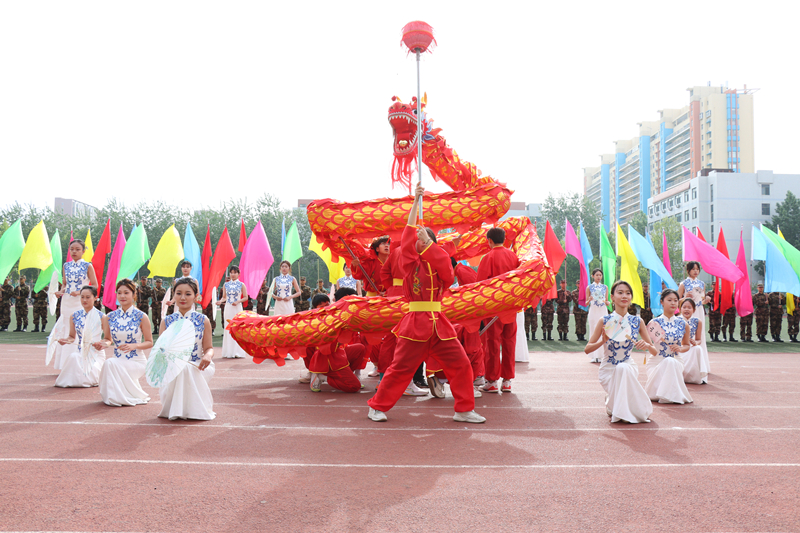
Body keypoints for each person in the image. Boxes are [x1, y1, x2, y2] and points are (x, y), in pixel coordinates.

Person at [366, 185, 485, 424]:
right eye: (419, 240)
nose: (420, 242)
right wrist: (415, 203)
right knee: (400, 369)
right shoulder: (409, 263)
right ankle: (376, 406)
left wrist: (429, 244)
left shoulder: (440, 261)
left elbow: (447, 274)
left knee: (461, 365)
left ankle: (463, 410)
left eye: (426, 239)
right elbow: (408, 236)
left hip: (439, 325)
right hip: (415, 325)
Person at [584, 280, 657, 424]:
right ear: (612, 297)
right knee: (620, 368)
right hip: (608, 369)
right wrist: (602, 341)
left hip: (628, 367)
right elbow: (587, 349)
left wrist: (646, 345)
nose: (625, 296)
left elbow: (654, 351)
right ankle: (612, 400)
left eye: (628, 293)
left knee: (623, 367)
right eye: (620, 292)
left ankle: (613, 402)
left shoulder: (637, 321)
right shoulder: (605, 320)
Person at [158, 278, 215, 420]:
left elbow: (209, 348)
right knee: (181, 368)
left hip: (197, 365)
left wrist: (207, 356)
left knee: (185, 369)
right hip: (172, 365)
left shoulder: (203, 320)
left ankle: (188, 410)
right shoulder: (167, 321)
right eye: (179, 293)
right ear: (174, 296)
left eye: (188, 294)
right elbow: (159, 349)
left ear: (196, 297)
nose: (183, 297)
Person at [476, 226, 521, 393]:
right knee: (509, 342)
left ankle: (492, 381)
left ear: (489, 241)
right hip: (511, 306)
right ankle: (507, 381)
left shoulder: (488, 258)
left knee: (492, 343)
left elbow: (480, 284)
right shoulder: (514, 257)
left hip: (493, 307)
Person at [96, 279, 153, 407]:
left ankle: (118, 397)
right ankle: (114, 397)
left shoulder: (141, 316)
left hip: (136, 362)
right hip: (118, 360)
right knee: (110, 363)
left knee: (109, 363)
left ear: (133, 295)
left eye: (126, 292)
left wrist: (135, 345)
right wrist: (103, 344)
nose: (122, 296)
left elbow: (149, 342)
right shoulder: (110, 317)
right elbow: (108, 339)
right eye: (119, 292)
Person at [302, 294, 365, 393]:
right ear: (315, 308)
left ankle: (331, 376)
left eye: (328, 305)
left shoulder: (337, 315)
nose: (326, 308)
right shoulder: (312, 321)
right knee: (354, 387)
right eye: (322, 307)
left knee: (360, 348)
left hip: (339, 353)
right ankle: (320, 375)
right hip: (325, 356)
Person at [50, 240, 98, 370]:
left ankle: (82, 362)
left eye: (77, 249)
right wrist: (60, 291)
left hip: (81, 301)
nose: (74, 252)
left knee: (80, 327)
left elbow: (95, 284)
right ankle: (65, 364)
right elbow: (65, 284)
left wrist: (80, 292)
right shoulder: (66, 266)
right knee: (66, 327)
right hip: (66, 302)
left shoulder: (88, 266)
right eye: (72, 249)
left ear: (83, 251)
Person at [644, 289, 693, 404]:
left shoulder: (683, 324)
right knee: (668, 362)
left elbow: (686, 345)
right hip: (656, 361)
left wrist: (680, 348)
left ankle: (665, 395)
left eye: (675, 300)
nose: (673, 303)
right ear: (662, 302)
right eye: (669, 300)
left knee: (671, 361)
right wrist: (646, 346)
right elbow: (651, 347)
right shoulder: (653, 323)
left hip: (676, 360)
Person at [55, 286, 105, 388]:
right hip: (80, 353)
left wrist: (102, 344)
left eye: (88, 297)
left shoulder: (102, 317)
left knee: (85, 376)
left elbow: (108, 339)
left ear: (95, 298)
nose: (84, 300)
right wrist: (65, 341)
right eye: (82, 297)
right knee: (74, 357)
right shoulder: (74, 316)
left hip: (96, 354)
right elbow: (71, 337)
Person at [677, 262, 711, 357]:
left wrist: (706, 300)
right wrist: (685, 298)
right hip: (687, 311)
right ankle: (684, 357)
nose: (696, 271)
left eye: (697, 269)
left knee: (699, 334)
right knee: (686, 333)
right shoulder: (683, 284)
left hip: (699, 310)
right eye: (693, 269)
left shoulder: (701, 284)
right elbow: (677, 301)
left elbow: (701, 300)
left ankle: (700, 360)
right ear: (688, 270)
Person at [217, 265, 249, 358]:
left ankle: (237, 352)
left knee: (238, 328)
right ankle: (228, 352)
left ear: (238, 274)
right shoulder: (226, 284)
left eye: (235, 272)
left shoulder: (242, 284)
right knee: (228, 328)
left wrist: (238, 301)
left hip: (237, 308)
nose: (233, 274)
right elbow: (224, 297)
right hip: (228, 308)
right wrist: (220, 301)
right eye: (231, 272)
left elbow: (246, 297)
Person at [679, 298, 709, 384]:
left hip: (690, 348)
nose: (686, 309)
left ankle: (697, 377)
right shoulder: (676, 320)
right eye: (684, 307)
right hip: (679, 348)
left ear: (694, 310)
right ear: (680, 309)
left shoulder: (697, 321)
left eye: (689, 307)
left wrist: (695, 343)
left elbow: (699, 340)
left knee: (698, 349)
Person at [586, 269, 610, 362]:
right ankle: (593, 355)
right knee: (593, 331)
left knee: (604, 331)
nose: (599, 277)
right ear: (593, 276)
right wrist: (589, 299)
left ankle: (602, 355)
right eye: (597, 275)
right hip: (593, 311)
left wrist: (607, 302)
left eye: (600, 275)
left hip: (602, 310)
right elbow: (586, 303)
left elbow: (607, 301)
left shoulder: (605, 287)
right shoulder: (589, 287)